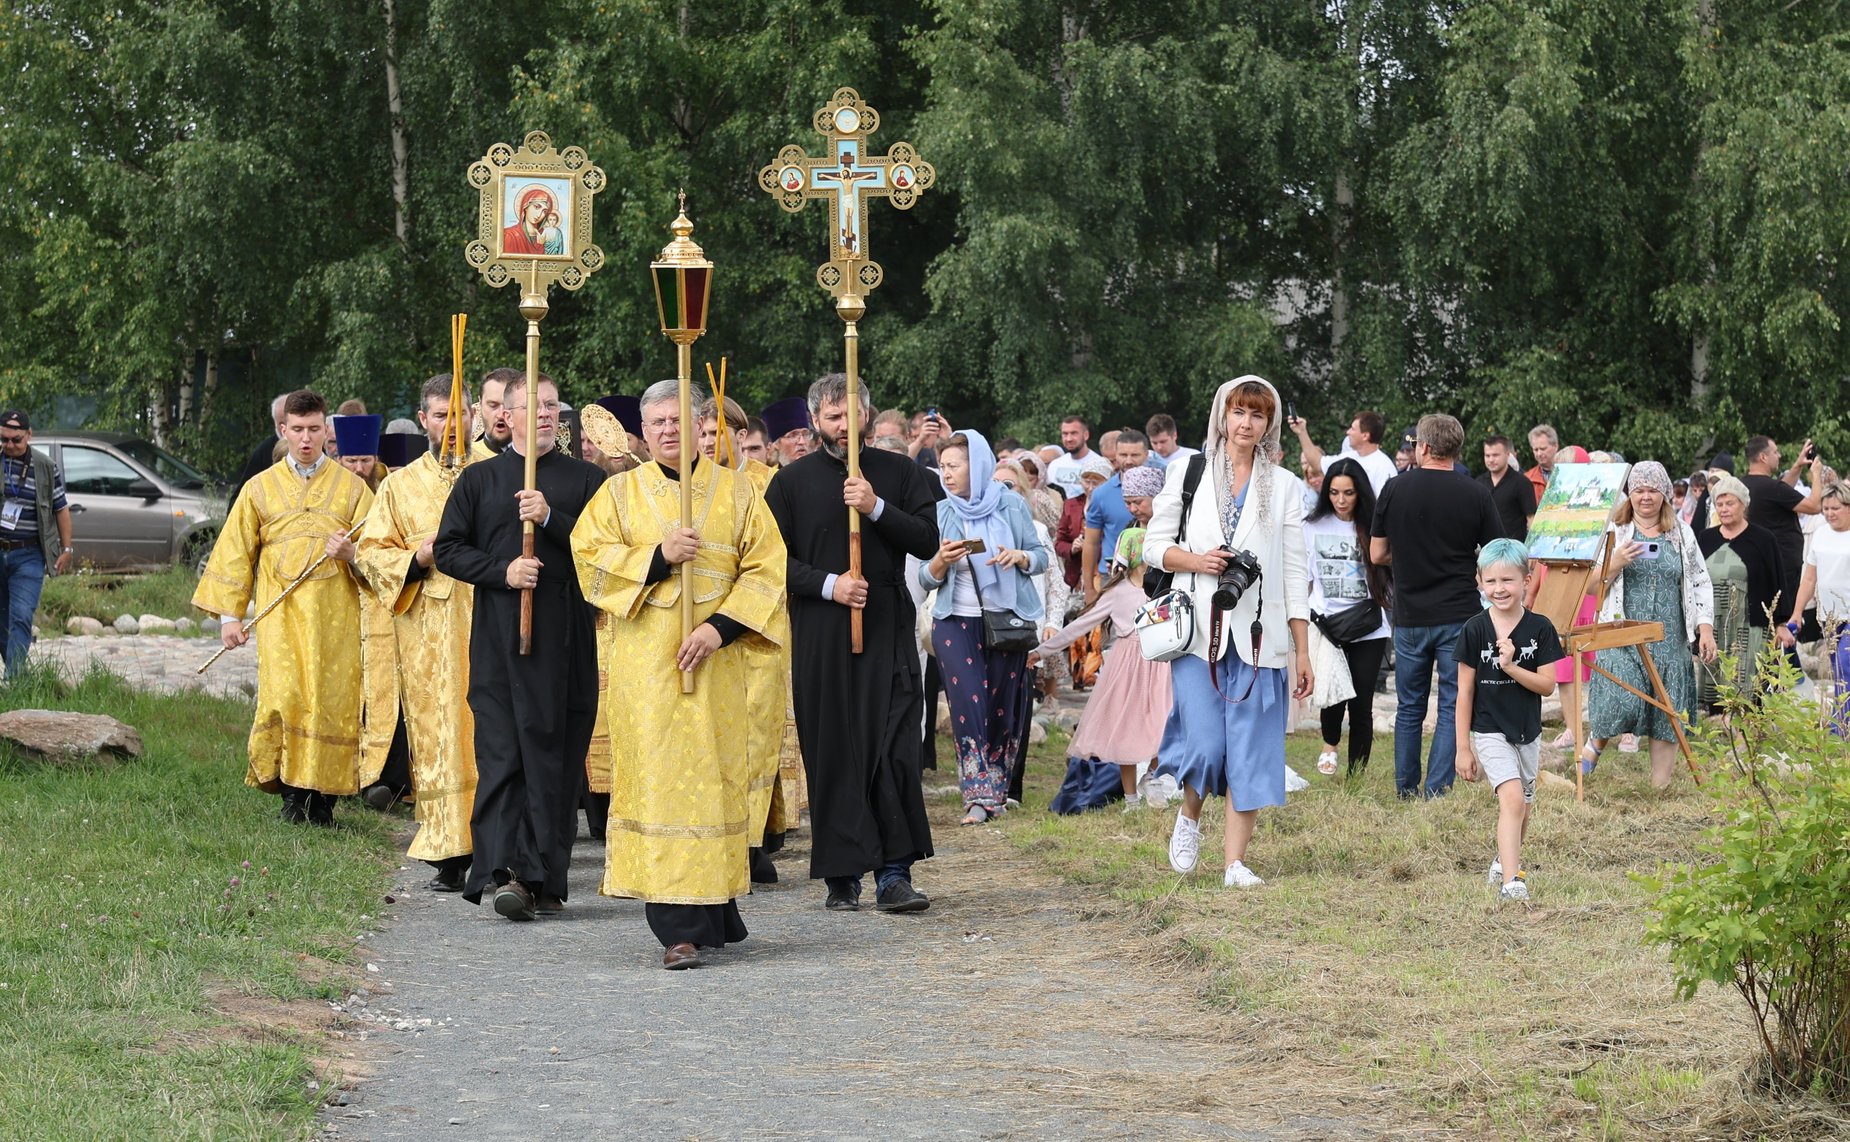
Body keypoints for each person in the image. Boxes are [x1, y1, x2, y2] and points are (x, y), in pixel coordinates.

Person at [572, 379, 789, 969]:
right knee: (664, 782)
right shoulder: (619, 493)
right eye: (657, 422)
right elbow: (586, 558)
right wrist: (656, 558)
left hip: (717, 662)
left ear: (702, 427)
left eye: (678, 420)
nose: (668, 430)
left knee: (714, 780)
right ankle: (676, 928)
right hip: (649, 665)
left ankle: (714, 909)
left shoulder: (738, 491)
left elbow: (768, 569)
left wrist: (719, 628)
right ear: (643, 432)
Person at [763, 373, 940, 914]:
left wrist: (876, 508)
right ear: (816, 420)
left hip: (885, 622)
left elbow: (927, 537)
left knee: (893, 748)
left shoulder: (899, 472)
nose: (844, 426)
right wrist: (829, 584)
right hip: (822, 629)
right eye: (834, 417)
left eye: (853, 415)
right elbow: (770, 563)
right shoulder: (790, 483)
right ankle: (842, 874)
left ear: (868, 414)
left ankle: (893, 872)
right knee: (834, 748)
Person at [434, 371, 605, 920]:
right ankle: (506, 872)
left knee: (552, 759)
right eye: (533, 406)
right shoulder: (480, 480)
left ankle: (544, 875)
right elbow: (449, 550)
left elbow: (604, 553)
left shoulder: (586, 480)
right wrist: (502, 572)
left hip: (563, 642)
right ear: (505, 416)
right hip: (499, 639)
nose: (547, 414)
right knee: (503, 754)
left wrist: (550, 519)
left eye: (554, 405)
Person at [1144, 376, 1313, 889]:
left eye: (1257, 415)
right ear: (1223, 414)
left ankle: (1234, 863)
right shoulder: (1187, 470)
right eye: (1238, 412)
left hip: (1260, 637)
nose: (1246, 423)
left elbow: (1292, 572)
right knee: (1207, 744)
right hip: (1198, 633)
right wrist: (1199, 561)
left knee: (1252, 748)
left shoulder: (1283, 485)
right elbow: (1152, 547)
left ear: (1269, 424)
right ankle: (1190, 816)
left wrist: (1303, 650)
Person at [192, 391, 372, 824]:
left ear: (326, 431)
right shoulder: (260, 488)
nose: (306, 439)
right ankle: (292, 797)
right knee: (285, 698)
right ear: (283, 431)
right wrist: (231, 617)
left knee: (331, 701)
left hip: (337, 619)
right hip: (280, 620)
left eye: (314, 430)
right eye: (298, 430)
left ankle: (324, 800)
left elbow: (379, 549)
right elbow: (236, 551)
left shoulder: (352, 488)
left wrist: (352, 553)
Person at [355, 375, 479, 891]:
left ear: (473, 417)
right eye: (440, 416)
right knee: (438, 732)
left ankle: (497, 845)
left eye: (460, 415)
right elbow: (369, 554)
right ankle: (448, 849)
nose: (452, 427)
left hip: (489, 619)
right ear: (424, 421)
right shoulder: (398, 487)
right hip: (428, 631)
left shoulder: (497, 474)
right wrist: (418, 557)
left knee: (493, 732)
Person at [917, 430, 1049, 825]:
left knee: (1001, 707)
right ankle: (977, 794)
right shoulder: (942, 511)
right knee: (968, 703)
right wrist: (941, 560)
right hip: (954, 620)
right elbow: (925, 577)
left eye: (954, 466)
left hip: (1006, 620)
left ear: (978, 465)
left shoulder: (1010, 504)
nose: (947, 474)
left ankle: (997, 786)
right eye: (942, 467)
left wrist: (1019, 556)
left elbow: (1043, 558)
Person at [1369, 414, 1500, 798]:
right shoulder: (1476, 492)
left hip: (1410, 613)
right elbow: (1495, 554)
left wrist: (1408, 556)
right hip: (1459, 612)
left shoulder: (1394, 488)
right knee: (1451, 702)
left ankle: (1405, 789)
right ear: (1457, 450)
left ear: (1422, 447)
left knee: (1409, 706)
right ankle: (1438, 789)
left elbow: (1378, 553)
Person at [1039, 475, 1173, 813]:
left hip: (1162, 664)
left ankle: (1152, 776)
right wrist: (1040, 652)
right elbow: (1082, 624)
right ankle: (1131, 799)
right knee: (1125, 729)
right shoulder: (1117, 591)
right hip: (1128, 667)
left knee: (1163, 724)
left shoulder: (1169, 588)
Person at [1579, 462, 1716, 786]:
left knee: (1667, 711)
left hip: (1670, 639)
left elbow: (1699, 580)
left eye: (1652, 490)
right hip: (1622, 635)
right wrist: (1618, 561)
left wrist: (1705, 627)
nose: (1645, 496)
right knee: (1619, 696)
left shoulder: (1681, 533)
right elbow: (1591, 585)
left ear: (1665, 494)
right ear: (1630, 494)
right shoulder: (1615, 530)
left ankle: (1660, 786)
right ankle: (1593, 748)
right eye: (1639, 489)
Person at [1452, 539, 1564, 903]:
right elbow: (1464, 693)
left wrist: (1512, 667)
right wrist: (1462, 747)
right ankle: (1511, 883)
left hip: (1527, 731)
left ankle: (1504, 861)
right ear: (1479, 582)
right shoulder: (1474, 629)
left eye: (1508, 580)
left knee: (1524, 806)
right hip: (1488, 730)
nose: (1500, 589)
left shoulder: (1541, 628)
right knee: (1513, 800)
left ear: (1526, 581)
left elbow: (1547, 685)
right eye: (1492, 581)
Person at [1302, 457, 1392, 777]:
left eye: (1349, 493)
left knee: (1361, 704)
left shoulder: (1374, 528)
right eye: (1335, 492)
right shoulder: (1311, 527)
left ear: (1360, 493)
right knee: (1331, 694)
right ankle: (1330, 745)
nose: (1341, 500)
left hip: (1368, 625)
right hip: (1327, 624)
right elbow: (1304, 578)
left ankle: (1356, 775)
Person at [1695, 474, 1786, 714]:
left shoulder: (1763, 539)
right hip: (1714, 621)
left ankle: (1746, 721)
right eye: (1719, 504)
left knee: (1746, 673)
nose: (1724, 509)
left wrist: (1780, 623)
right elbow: (1694, 580)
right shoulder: (1706, 538)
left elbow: (1778, 581)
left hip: (1749, 622)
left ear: (1743, 505)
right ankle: (1718, 718)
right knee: (1717, 670)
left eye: (1730, 503)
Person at [0, 410, 73, 679]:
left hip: (29, 554)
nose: (9, 446)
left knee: (20, 615)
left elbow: (61, 509)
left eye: (15, 440)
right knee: (2, 621)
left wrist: (67, 549)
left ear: (29, 435)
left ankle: (14, 681)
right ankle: (20, 672)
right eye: (4, 440)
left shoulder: (45, 466)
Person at [1780, 480, 1850, 735]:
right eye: (1826, 509)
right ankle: (1841, 722)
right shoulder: (1821, 534)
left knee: (1845, 665)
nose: (1830, 514)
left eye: (1836, 508)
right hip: (1829, 616)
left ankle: (1839, 728)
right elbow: (1809, 578)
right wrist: (1797, 612)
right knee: (1838, 670)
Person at [1742, 434, 1823, 646]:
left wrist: (1797, 466)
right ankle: (1783, 667)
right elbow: (1814, 506)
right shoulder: (1772, 489)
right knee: (1782, 622)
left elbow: (1781, 489)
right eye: (1775, 452)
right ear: (1762, 457)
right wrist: (1816, 475)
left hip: (1759, 563)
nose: (1779, 456)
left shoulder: (1745, 485)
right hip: (1783, 567)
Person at [1082, 428, 1156, 604]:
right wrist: (1090, 588)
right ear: (1115, 454)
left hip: (1152, 575)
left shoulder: (1161, 488)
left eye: (1135, 455)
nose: (1129, 461)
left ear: (1146, 454)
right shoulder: (1101, 493)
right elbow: (1091, 542)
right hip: (1113, 576)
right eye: (1123, 454)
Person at [1289, 409, 1397, 496]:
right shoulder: (1348, 457)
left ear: (1365, 436)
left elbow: (1386, 508)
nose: (1348, 432)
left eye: (1353, 429)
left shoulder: (1384, 467)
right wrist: (1302, 432)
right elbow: (1317, 464)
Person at [230, 393, 292, 507]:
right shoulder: (263, 452)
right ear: (275, 423)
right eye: (281, 423)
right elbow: (239, 499)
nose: (285, 428)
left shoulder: (314, 447)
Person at [1478, 434, 1536, 542]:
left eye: (1495, 455)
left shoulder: (1522, 483)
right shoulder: (1479, 483)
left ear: (1507, 454)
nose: (1491, 459)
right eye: (1487, 455)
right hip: (1485, 550)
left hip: (1513, 550)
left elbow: (1531, 520)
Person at [471, 367, 519, 459]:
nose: (501, 415)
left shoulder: (539, 458)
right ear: (480, 404)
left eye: (508, 407)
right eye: (493, 405)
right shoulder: (463, 460)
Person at [1046, 414, 1096, 499]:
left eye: (1074, 433)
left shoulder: (1098, 464)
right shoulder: (1055, 465)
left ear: (1086, 435)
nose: (1069, 439)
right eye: (1065, 434)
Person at [333, 414, 386, 492]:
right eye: (352, 461)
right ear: (339, 461)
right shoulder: (328, 493)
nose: (359, 469)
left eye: (365, 460)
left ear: (375, 460)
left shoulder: (385, 493)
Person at [502, 186, 554, 256]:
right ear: (525, 207)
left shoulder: (547, 236)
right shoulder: (509, 235)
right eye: (536, 207)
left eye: (544, 211)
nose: (539, 214)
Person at [761, 397, 813, 467]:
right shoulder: (771, 477)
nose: (802, 442)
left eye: (805, 434)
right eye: (793, 435)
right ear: (776, 444)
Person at [1524, 425, 1560, 504]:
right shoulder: (1527, 479)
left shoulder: (1570, 472)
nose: (1539, 453)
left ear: (1556, 446)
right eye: (1536, 450)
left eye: (1543, 449)